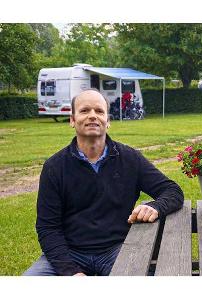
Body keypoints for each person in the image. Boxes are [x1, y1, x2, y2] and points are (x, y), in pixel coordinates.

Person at [24, 89, 184, 276]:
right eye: (84, 111)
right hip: (70, 252)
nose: (93, 116)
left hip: (117, 249)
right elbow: (47, 228)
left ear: (108, 121)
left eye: (99, 111)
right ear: (72, 120)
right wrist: (70, 272)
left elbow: (173, 190)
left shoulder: (129, 158)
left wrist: (156, 206)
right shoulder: (54, 167)